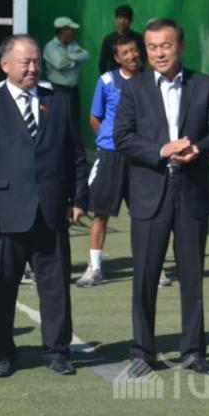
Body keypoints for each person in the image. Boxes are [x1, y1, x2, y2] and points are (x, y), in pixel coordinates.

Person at [114, 18, 209, 378]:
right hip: (150, 192)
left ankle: (193, 351)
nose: (159, 53)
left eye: (166, 45)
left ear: (181, 46)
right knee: (145, 277)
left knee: (192, 277)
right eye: (152, 47)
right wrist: (160, 150)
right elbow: (122, 136)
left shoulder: (204, 85)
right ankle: (142, 352)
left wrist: (198, 149)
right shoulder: (134, 88)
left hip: (191, 192)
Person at [0, 34, 89, 377]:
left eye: (37, 61)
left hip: (51, 210)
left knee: (56, 287)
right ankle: (3, 352)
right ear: (5, 64)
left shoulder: (59, 102)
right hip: (6, 211)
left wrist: (79, 198)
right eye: (26, 62)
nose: (33, 68)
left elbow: (75, 153)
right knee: (2, 288)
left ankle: (57, 351)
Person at [76, 36, 142, 288]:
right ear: (116, 58)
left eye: (134, 50)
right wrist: (110, 141)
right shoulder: (106, 81)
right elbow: (95, 118)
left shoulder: (150, 80)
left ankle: (152, 268)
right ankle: (94, 268)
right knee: (101, 214)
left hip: (140, 157)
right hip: (111, 156)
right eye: (126, 52)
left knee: (144, 216)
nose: (132, 55)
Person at [42, 16, 90, 125]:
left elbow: (86, 55)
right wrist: (75, 61)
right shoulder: (50, 47)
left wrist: (70, 56)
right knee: (59, 123)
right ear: (63, 31)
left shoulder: (73, 45)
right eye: (71, 30)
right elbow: (60, 64)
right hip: (57, 92)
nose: (73, 32)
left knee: (74, 123)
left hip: (73, 92)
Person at [98, 5, 145, 74]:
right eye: (119, 18)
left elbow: (145, 60)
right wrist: (106, 78)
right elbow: (102, 63)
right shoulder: (108, 39)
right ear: (115, 19)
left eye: (125, 18)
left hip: (135, 76)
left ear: (131, 20)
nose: (122, 22)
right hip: (115, 76)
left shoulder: (138, 38)